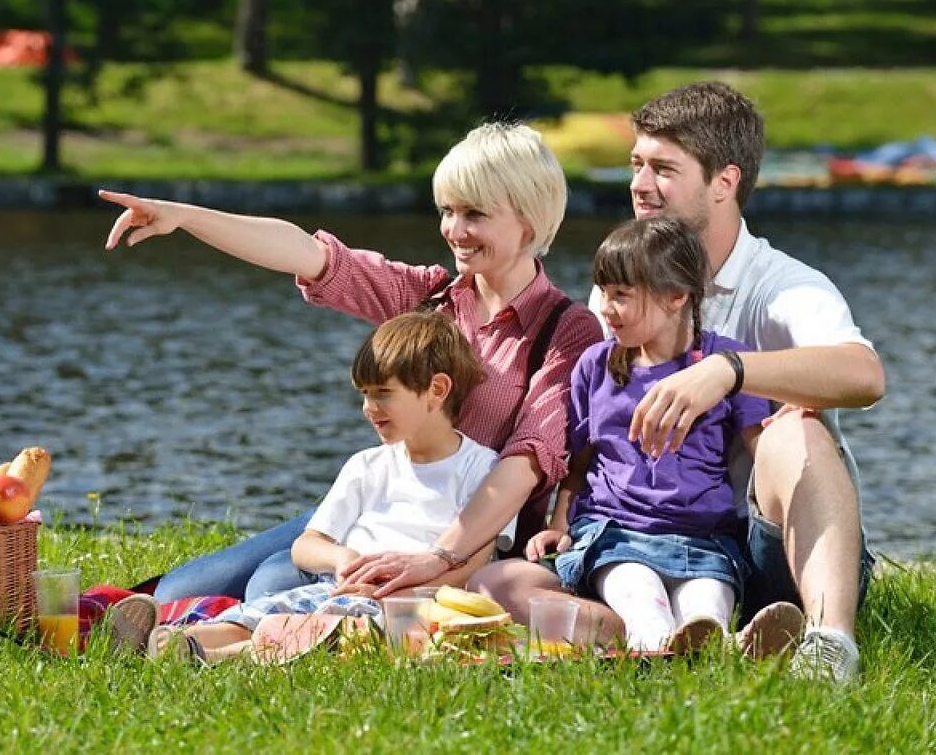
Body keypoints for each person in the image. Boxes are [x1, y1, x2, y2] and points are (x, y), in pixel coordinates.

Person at [479, 81, 882, 681]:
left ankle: (828, 641)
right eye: (636, 164)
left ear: (725, 182)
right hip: (637, 536)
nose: (640, 184)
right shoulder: (623, 285)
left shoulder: (785, 286)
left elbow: (865, 375)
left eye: (664, 168)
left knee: (795, 429)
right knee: (505, 583)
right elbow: (595, 436)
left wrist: (728, 370)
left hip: (767, 550)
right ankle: (652, 633)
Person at [100, 123, 602, 603]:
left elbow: (525, 464)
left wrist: (437, 556)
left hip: (470, 537)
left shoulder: (566, 329)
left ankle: (252, 637)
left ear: (529, 221)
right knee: (175, 592)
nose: (453, 229)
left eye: (474, 214)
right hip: (383, 509)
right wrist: (184, 217)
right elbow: (309, 255)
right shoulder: (429, 297)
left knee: (273, 584)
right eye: (447, 210)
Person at [108, 311, 516, 662]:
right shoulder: (367, 465)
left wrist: (405, 591)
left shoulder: (482, 469)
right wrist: (341, 558)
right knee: (259, 616)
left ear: (437, 390)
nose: (369, 408)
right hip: (337, 587)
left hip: (407, 606)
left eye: (383, 394)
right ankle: (168, 642)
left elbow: (474, 562)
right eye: (364, 395)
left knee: (317, 630)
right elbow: (307, 544)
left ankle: (207, 658)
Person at [520, 216, 774, 653]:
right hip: (617, 535)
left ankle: (719, 645)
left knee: (705, 608)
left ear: (677, 295)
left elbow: (764, 449)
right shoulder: (595, 366)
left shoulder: (726, 362)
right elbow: (580, 463)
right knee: (640, 599)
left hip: (705, 540)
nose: (604, 307)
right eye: (604, 293)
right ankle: (668, 646)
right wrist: (559, 525)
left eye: (621, 296)